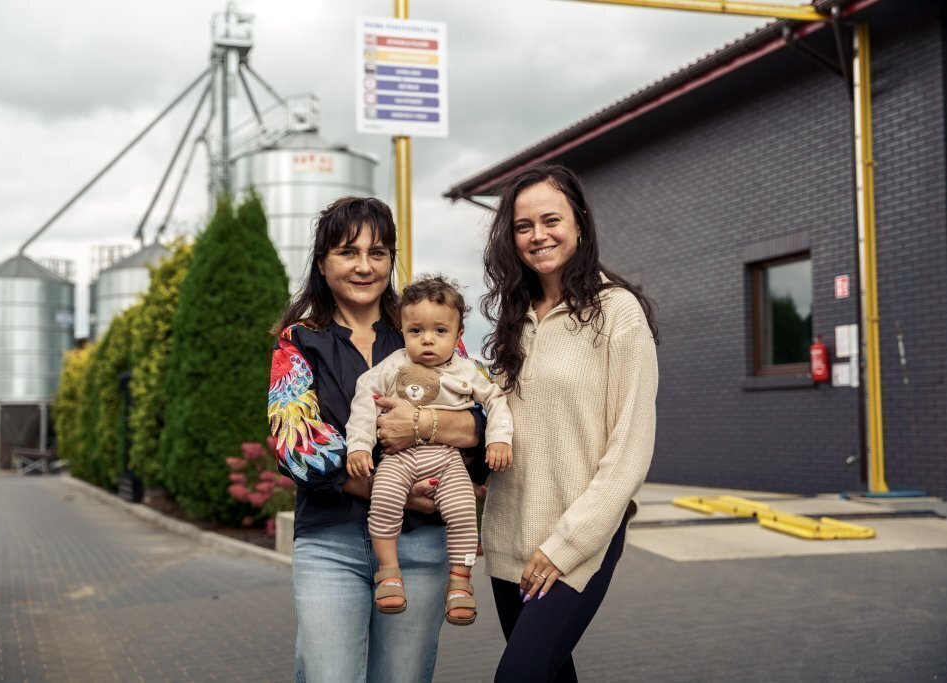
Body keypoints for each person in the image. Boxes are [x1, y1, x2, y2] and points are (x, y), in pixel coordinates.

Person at [268, 197, 488, 682]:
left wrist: (425, 425)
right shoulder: (298, 341)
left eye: (378, 252)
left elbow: (484, 418)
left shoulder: (427, 330)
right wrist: (395, 491)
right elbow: (296, 445)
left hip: (422, 543)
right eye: (348, 252)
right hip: (331, 542)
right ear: (322, 262)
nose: (364, 266)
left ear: (391, 260)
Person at [479, 164, 660, 682]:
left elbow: (630, 446)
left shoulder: (617, 311)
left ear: (579, 222)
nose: (538, 235)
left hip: (578, 540)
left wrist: (567, 545)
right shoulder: (515, 317)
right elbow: (499, 422)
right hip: (509, 538)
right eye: (523, 226)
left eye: (551, 220)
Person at [344, 275, 513, 626]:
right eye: (416, 331)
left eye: (440, 331)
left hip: (447, 461)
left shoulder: (466, 370)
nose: (427, 339)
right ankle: (389, 574)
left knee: (463, 511)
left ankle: (460, 582)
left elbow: (496, 400)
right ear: (402, 330)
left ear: (458, 333)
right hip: (398, 458)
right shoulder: (393, 365)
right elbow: (364, 398)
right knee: (384, 499)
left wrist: (499, 439)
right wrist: (359, 446)